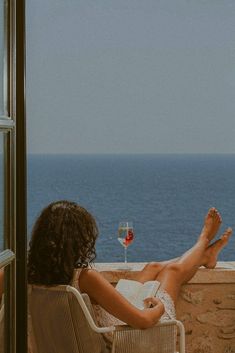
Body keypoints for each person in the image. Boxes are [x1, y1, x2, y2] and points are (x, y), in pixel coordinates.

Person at [28, 200, 232, 336]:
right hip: (120, 336)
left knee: (152, 267)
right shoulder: (85, 278)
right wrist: (159, 307)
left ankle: (204, 256)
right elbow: (143, 321)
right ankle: (203, 241)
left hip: (110, 324)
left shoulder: (25, 275)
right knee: (171, 272)